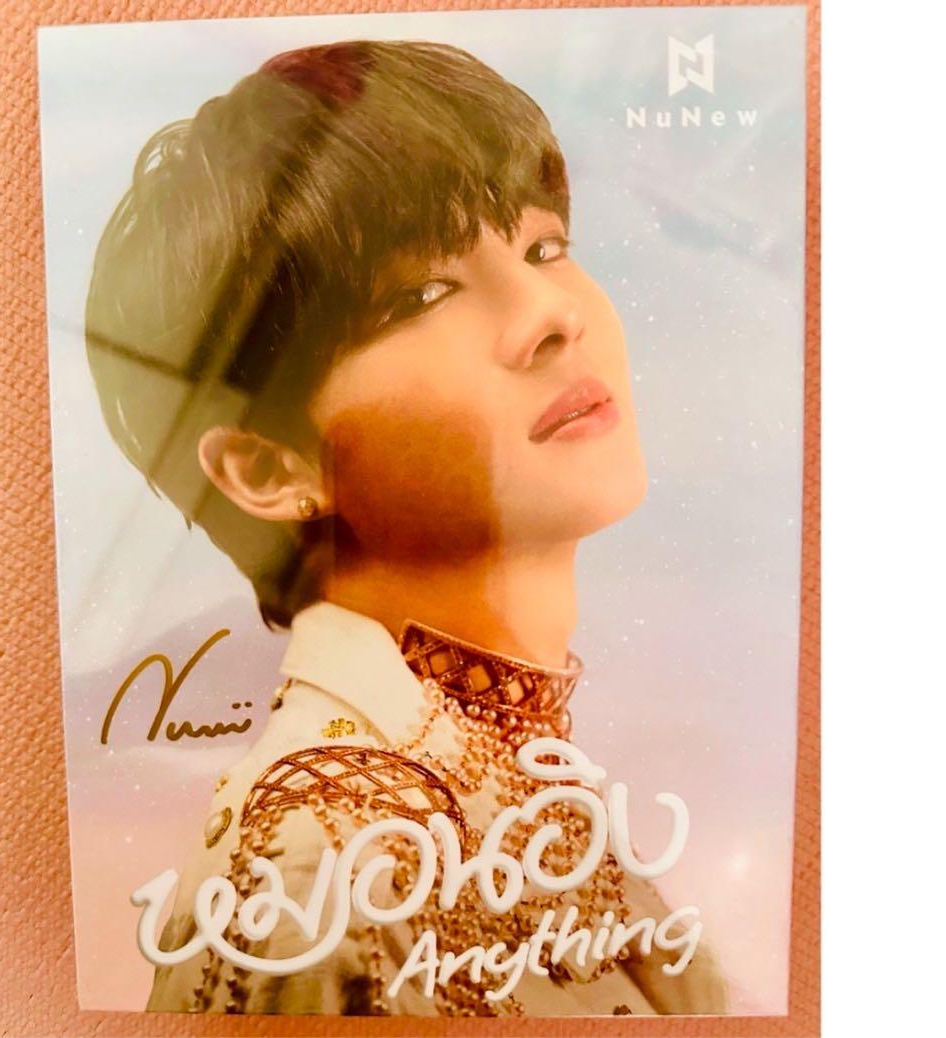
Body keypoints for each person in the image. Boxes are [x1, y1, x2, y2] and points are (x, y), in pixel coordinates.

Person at [85, 39, 728, 1017]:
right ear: (270, 468)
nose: (552, 313)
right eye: (422, 295)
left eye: (544, 247)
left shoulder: (521, 787)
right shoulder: (318, 865)